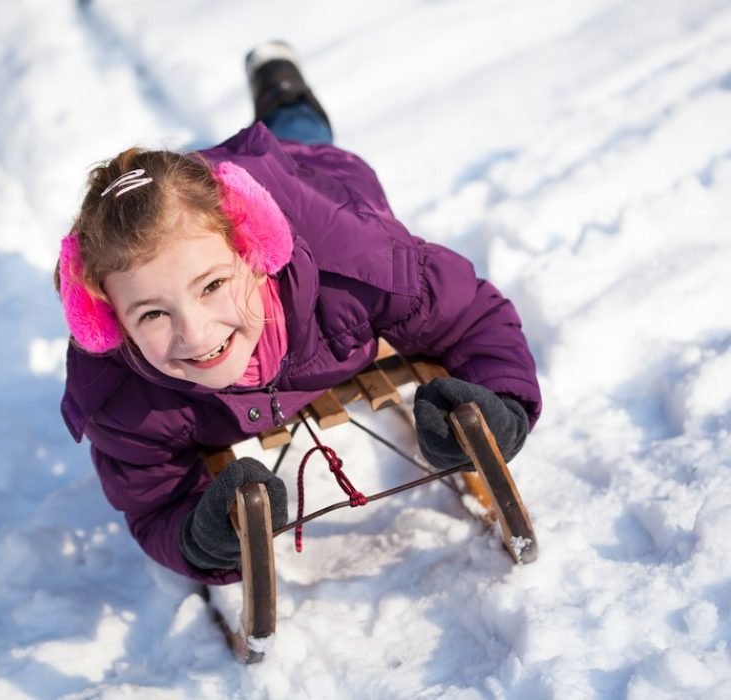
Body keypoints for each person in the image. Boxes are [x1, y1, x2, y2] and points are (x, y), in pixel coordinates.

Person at [56, 41, 542, 586]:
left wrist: (501, 409)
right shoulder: (123, 398)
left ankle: (279, 80)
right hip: (204, 217)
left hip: (309, 175)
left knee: (298, 132)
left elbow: (474, 316)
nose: (194, 333)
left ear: (256, 253)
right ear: (110, 323)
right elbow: (152, 504)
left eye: (212, 285)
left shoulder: (361, 268)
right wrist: (202, 536)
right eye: (150, 314)